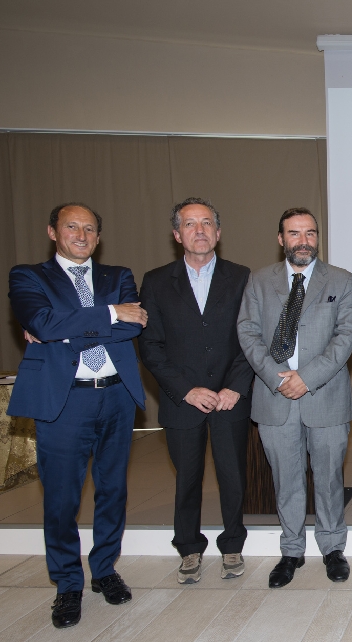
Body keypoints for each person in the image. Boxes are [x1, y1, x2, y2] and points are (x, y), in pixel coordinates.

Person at [8, 202, 147, 628]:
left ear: (98, 237)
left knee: (112, 492)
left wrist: (63, 330)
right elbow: (42, 322)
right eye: (72, 227)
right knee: (62, 500)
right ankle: (68, 584)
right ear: (53, 232)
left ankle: (104, 571)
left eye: (89, 229)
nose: (81, 235)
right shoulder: (29, 276)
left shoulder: (117, 275)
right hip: (64, 402)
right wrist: (107, 314)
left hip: (116, 398)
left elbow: (134, 324)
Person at [237, 207, 352, 588]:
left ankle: (333, 548)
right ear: (280, 239)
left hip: (326, 396)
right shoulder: (259, 281)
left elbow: (346, 336)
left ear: (317, 238)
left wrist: (305, 378)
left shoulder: (341, 280)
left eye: (309, 233)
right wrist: (278, 378)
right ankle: (291, 550)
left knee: (328, 478)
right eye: (294, 233)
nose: (303, 241)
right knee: (285, 480)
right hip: (275, 399)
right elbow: (248, 333)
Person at [139, 198, 253, 584]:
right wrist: (186, 390)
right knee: (186, 477)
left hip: (229, 400)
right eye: (190, 224)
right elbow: (150, 346)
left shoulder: (242, 277)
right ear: (177, 235)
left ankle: (233, 543)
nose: (199, 230)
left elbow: (251, 339)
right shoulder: (155, 281)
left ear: (219, 233)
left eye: (207, 223)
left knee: (232, 475)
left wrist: (234, 387)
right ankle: (188, 548)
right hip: (182, 401)